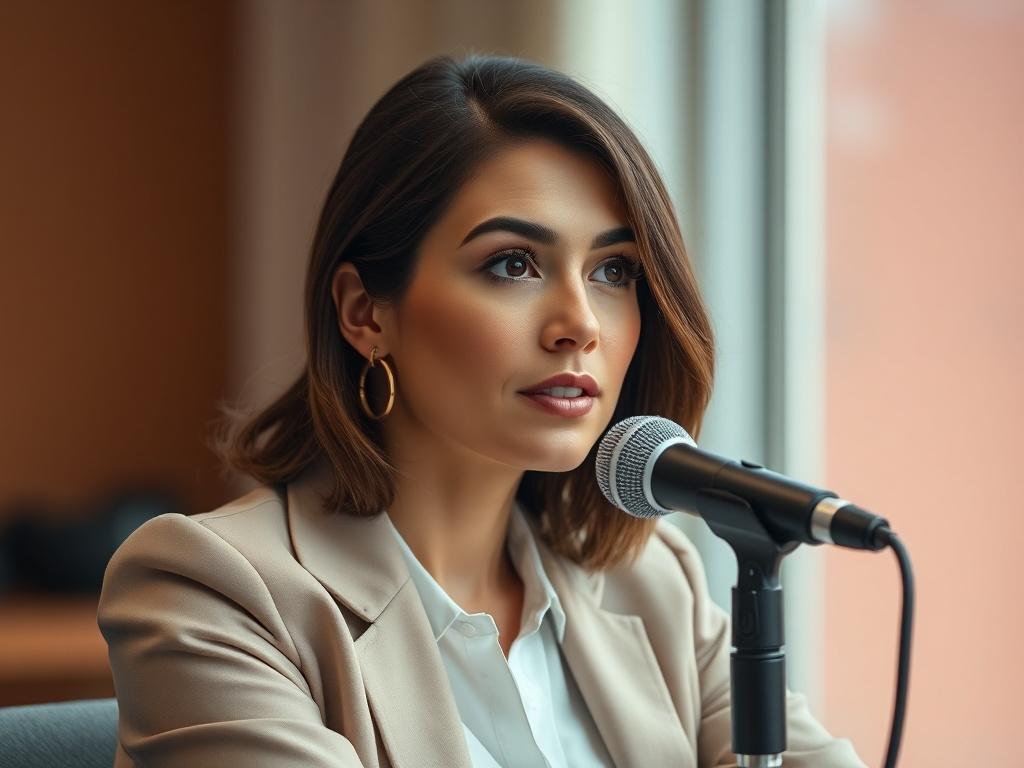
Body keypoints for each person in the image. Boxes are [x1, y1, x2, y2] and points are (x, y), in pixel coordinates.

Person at [97, 53, 865, 767]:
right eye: (513, 264)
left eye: (613, 270)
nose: (580, 323)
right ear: (366, 313)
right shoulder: (213, 591)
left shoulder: (654, 583)